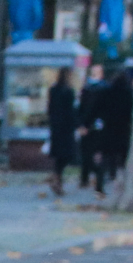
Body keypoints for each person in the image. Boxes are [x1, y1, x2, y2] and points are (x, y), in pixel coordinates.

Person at [93, 65, 133, 197]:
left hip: (108, 129)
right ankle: (122, 185)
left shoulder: (106, 92)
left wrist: (87, 123)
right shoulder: (129, 94)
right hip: (123, 130)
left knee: (105, 159)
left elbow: (96, 109)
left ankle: (99, 186)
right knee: (123, 159)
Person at [46, 67, 80, 197]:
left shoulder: (53, 90)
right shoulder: (69, 92)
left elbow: (50, 108)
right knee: (68, 155)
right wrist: (76, 124)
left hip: (56, 127)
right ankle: (57, 178)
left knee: (59, 156)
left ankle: (57, 178)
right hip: (66, 128)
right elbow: (71, 111)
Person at [75, 64, 109, 193]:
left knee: (88, 153)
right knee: (90, 154)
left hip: (91, 126)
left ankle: (87, 178)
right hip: (95, 126)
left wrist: (82, 124)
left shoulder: (89, 89)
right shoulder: (101, 89)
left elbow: (82, 109)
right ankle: (93, 178)